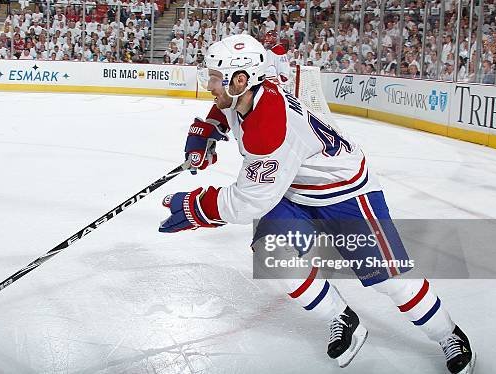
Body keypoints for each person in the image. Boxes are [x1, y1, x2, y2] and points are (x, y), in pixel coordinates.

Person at [159, 34, 475, 374]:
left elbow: (248, 202)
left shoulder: (270, 128)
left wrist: (198, 206)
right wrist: (208, 128)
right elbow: (228, 111)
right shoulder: (248, 93)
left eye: (215, 79)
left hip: (346, 193)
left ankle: (448, 335)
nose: (209, 86)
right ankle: (341, 317)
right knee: (271, 254)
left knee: (389, 279)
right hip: (294, 190)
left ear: (240, 80)